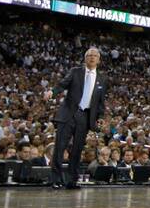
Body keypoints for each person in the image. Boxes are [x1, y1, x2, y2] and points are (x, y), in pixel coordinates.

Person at [45, 47, 106, 189]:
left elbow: (100, 101)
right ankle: (56, 179)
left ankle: (72, 180)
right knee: (60, 147)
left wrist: (100, 116)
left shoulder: (103, 78)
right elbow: (62, 84)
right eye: (89, 55)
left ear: (99, 60)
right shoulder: (75, 71)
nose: (92, 57)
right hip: (69, 114)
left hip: (85, 116)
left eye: (95, 55)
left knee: (77, 150)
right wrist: (52, 92)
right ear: (85, 58)